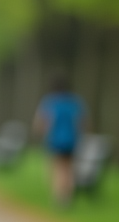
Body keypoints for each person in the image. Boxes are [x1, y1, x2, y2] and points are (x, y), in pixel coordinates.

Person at [33, 72, 85, 208]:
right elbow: (82, 122)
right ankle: (67, 195)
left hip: (55, 140)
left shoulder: (49, 102)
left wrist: (43, 132)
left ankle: (60, 199)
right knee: (68, 169)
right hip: (72, 140)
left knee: (57, 169)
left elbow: (41, 123)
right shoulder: (74, 102)